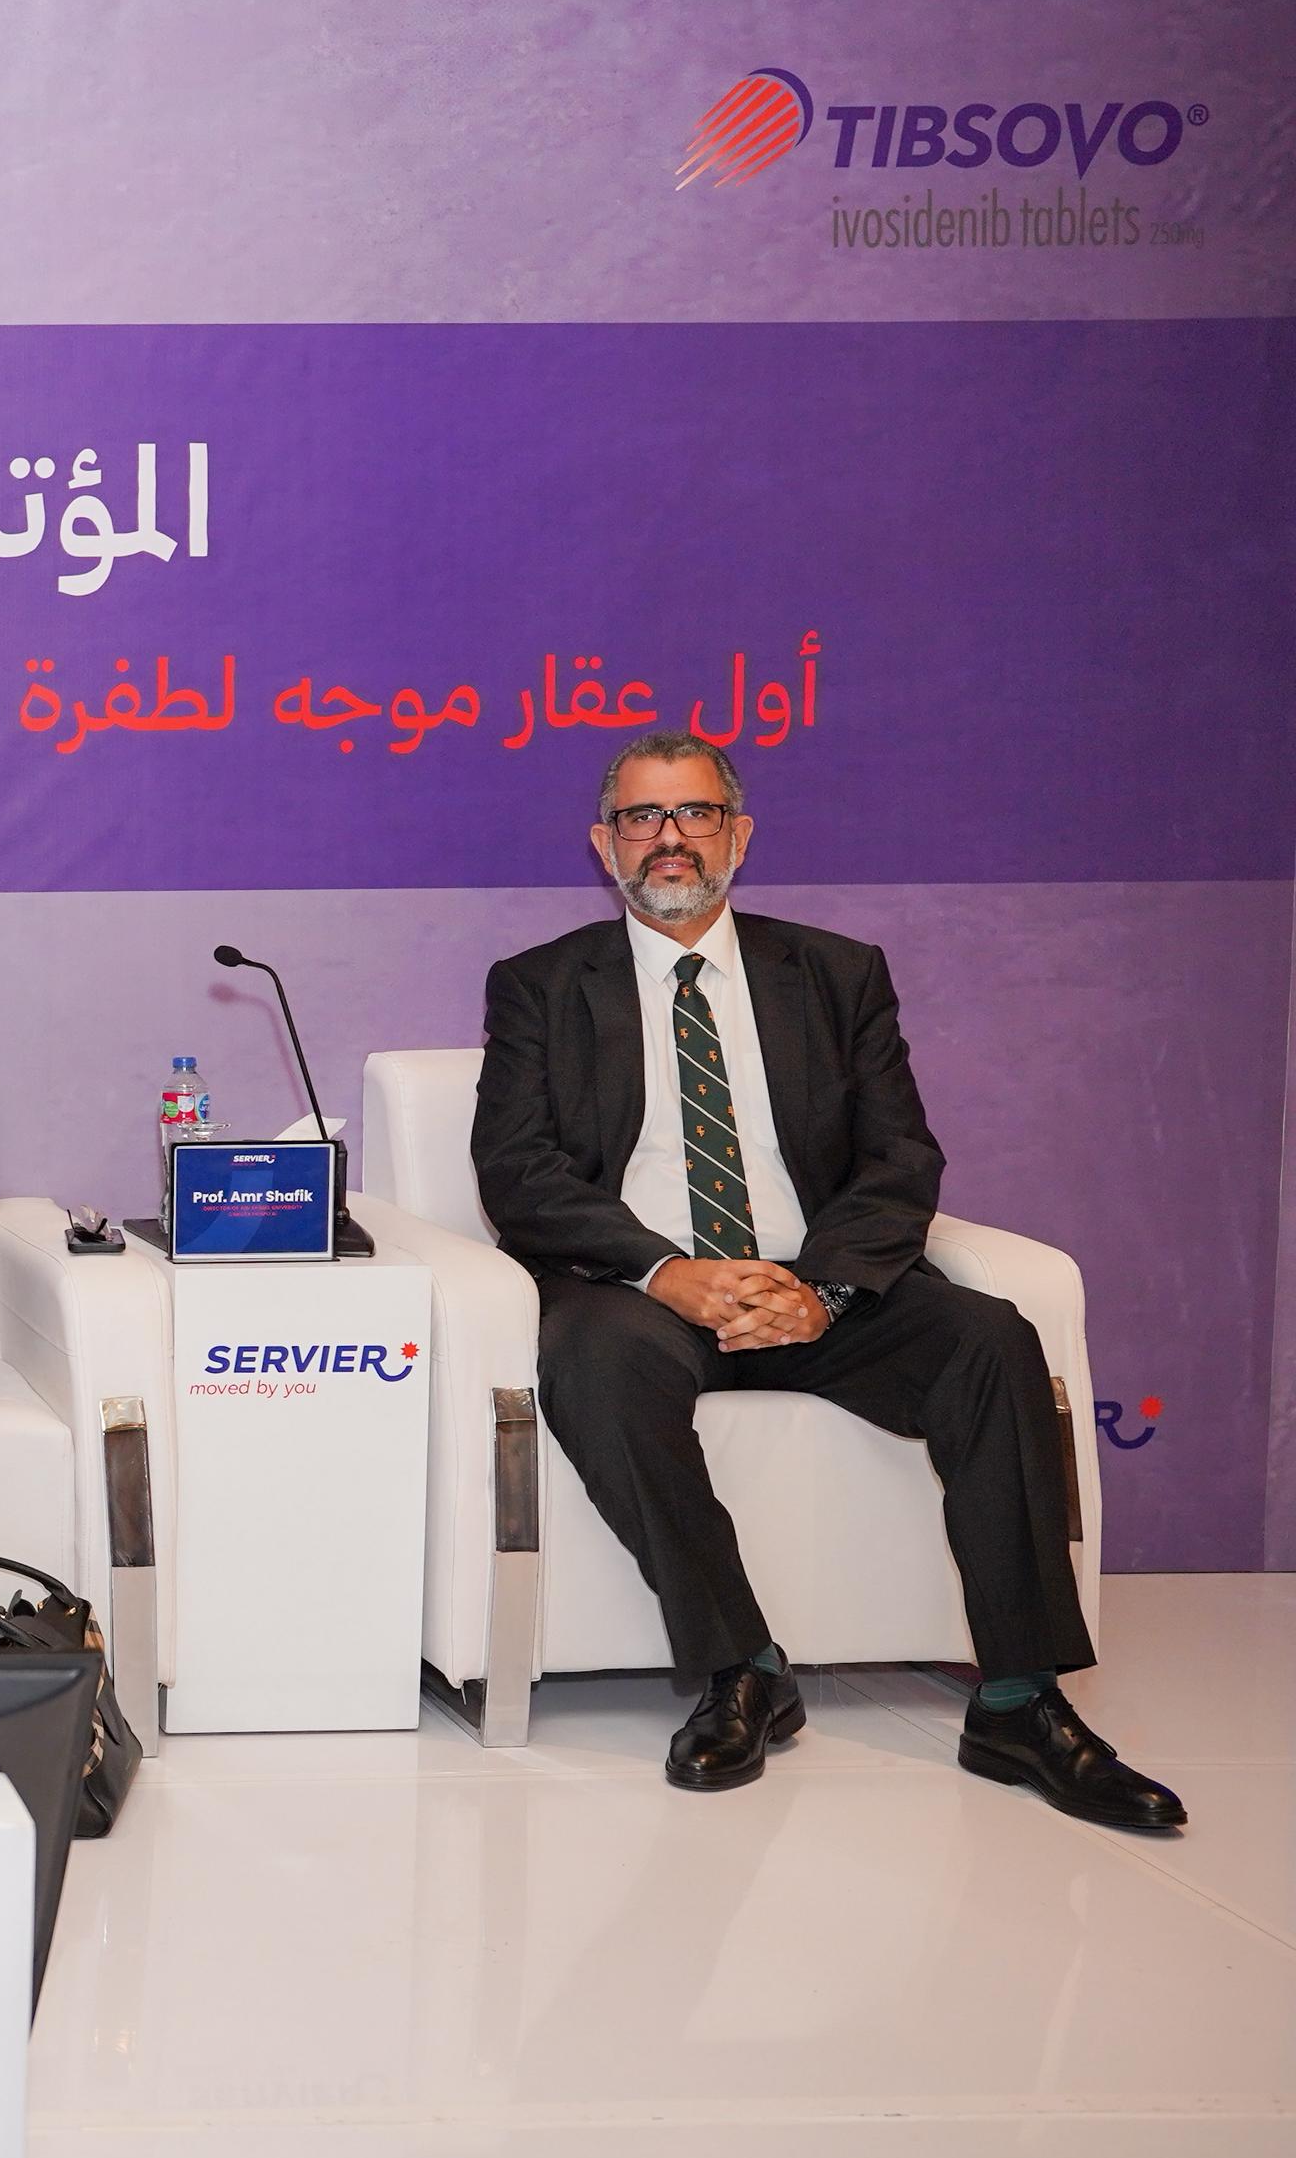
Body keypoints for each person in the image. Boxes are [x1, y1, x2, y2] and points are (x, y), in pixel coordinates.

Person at [472, 731, 1182, 1829]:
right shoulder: (539, 985)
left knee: (990, 1339)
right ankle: (743, 1670)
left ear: (739, 836)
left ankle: (1016, 1698)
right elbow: (518, 1172)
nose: (668, 838)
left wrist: (823, 1293)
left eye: (695, 813)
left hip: (812, 1284)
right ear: (602, 845)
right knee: (594, 1362)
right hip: (639, 1291)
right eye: (640, 817)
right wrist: (665, 1271)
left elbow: (899, 1158)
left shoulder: (837, 973)